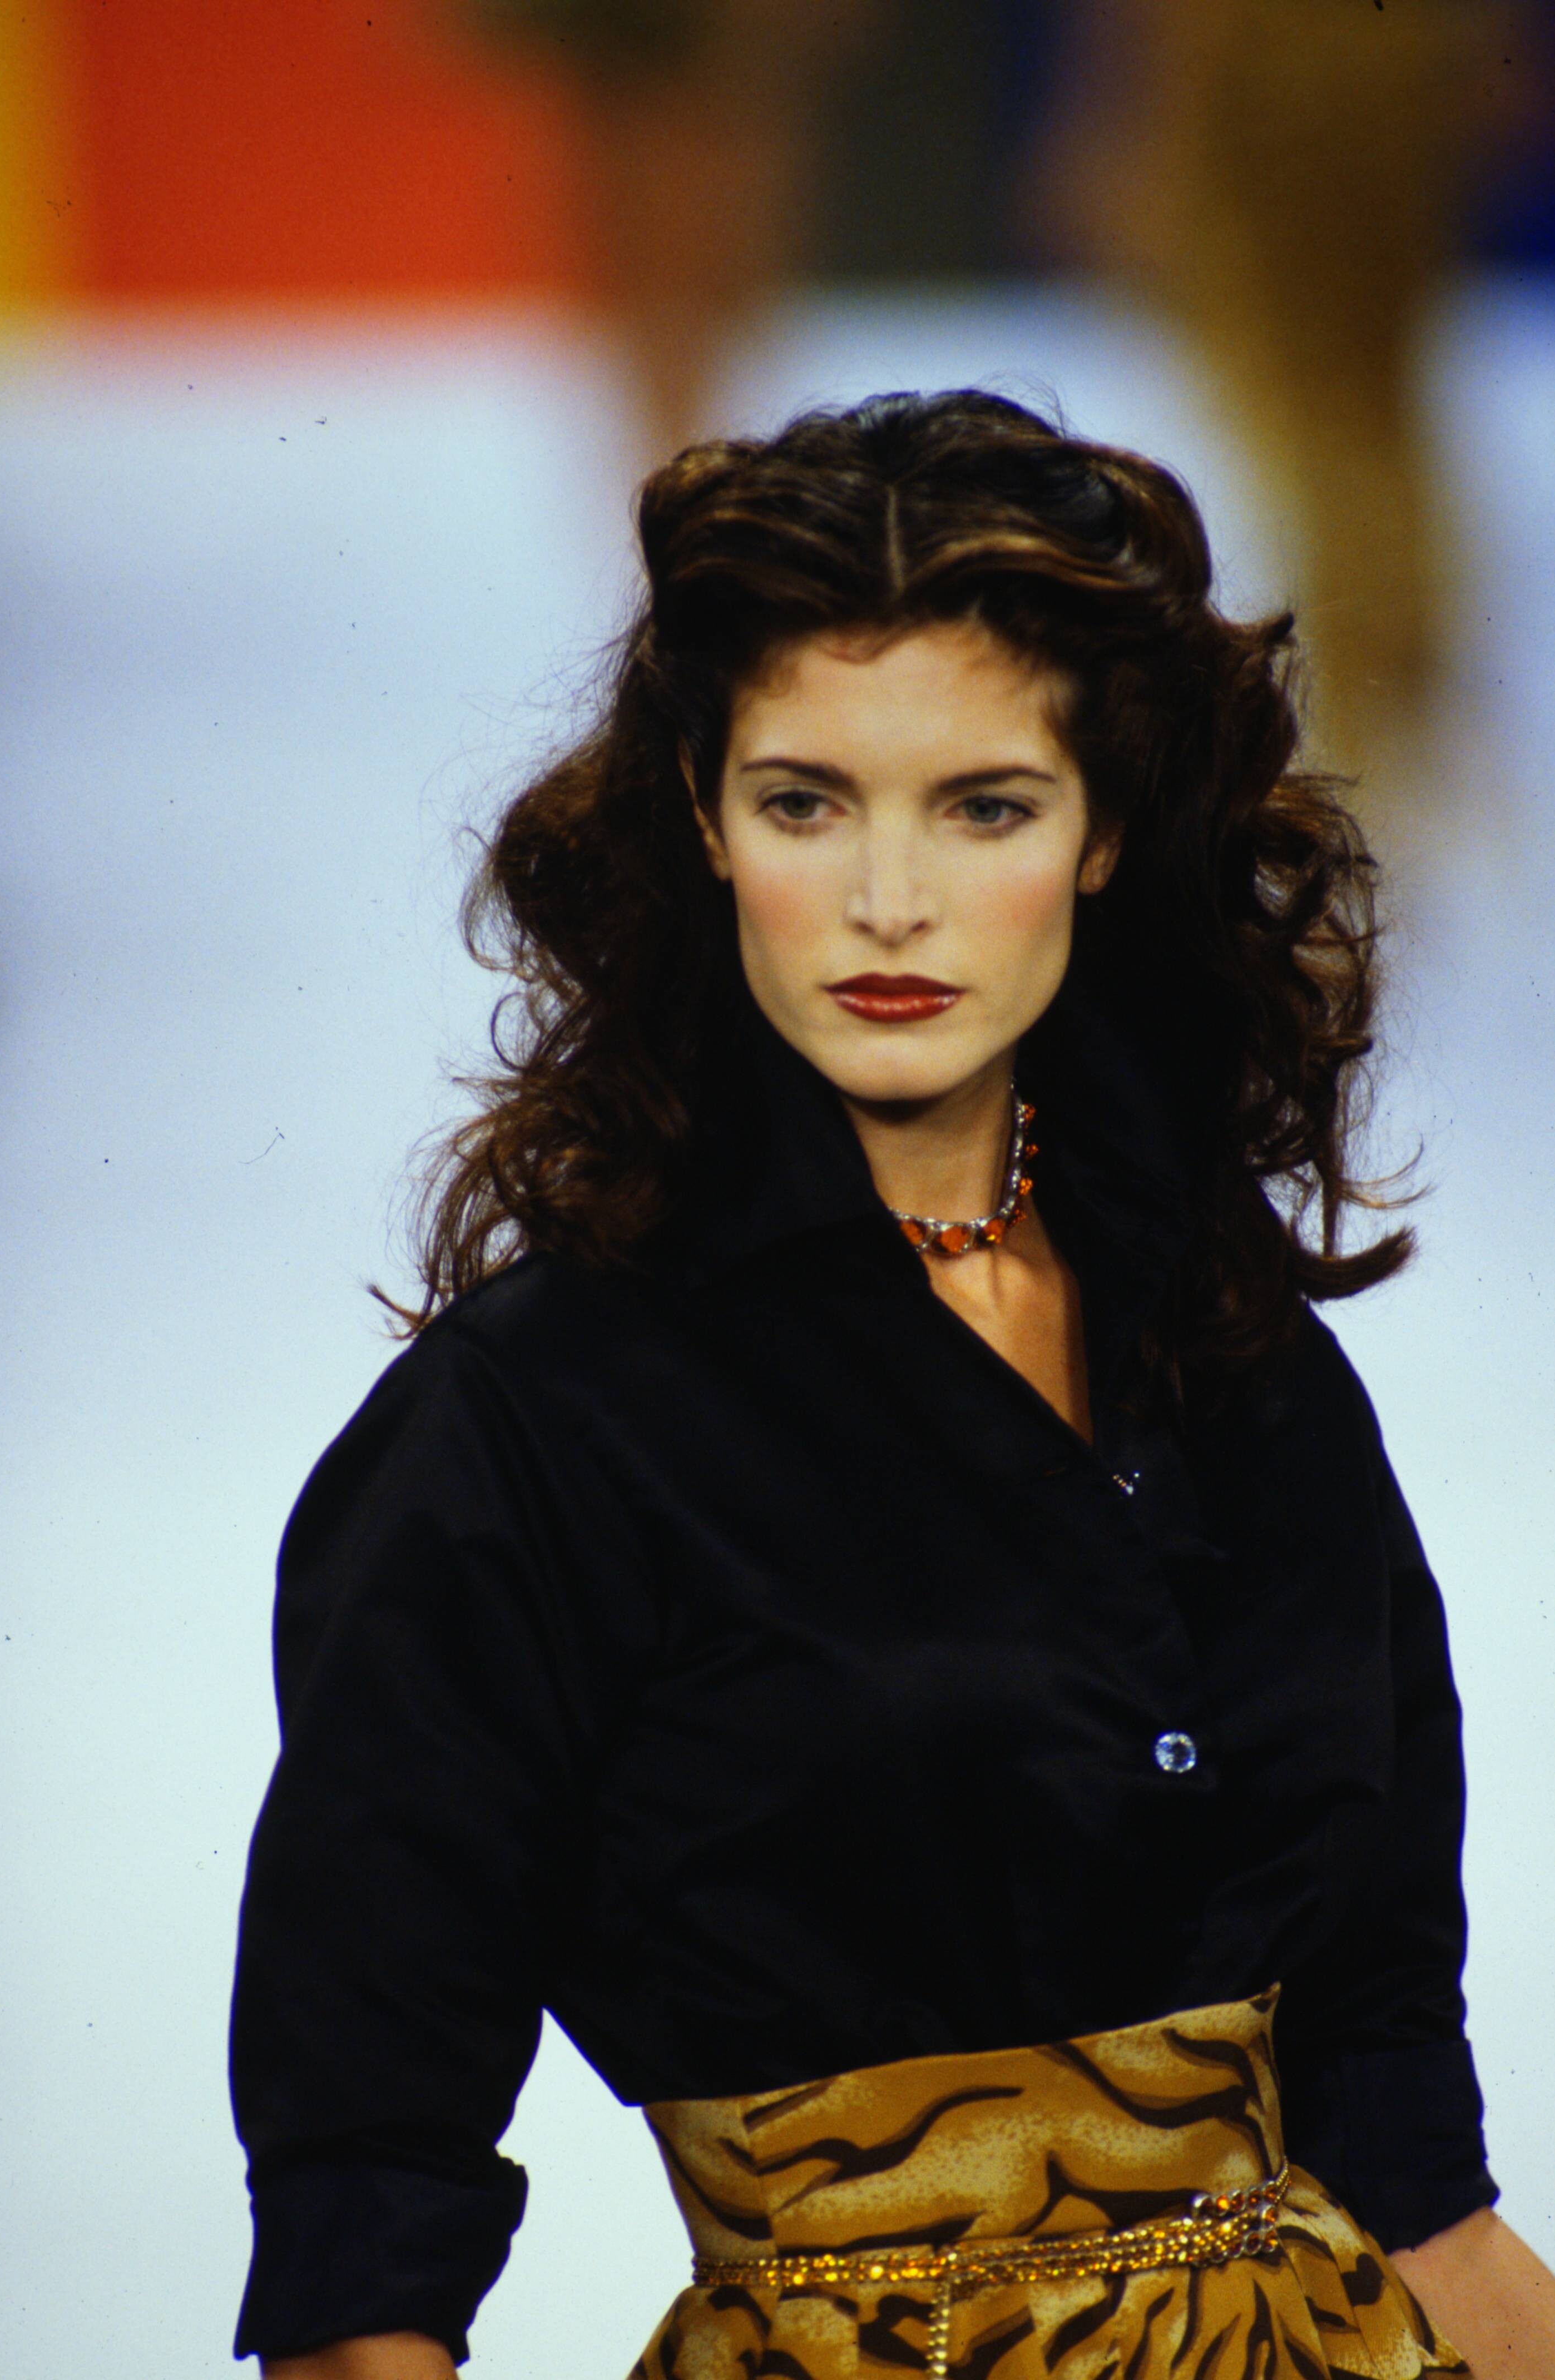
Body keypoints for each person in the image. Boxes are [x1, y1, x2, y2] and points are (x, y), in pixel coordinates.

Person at [229, 392, 1555, 2377]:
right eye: (806, 803)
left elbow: (1402, 2134)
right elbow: (363, 2220)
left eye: (983, 807)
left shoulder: (1234, 1357)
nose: (888, 900)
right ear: (702, 819)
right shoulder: (530, 1432)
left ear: (1105, 833)